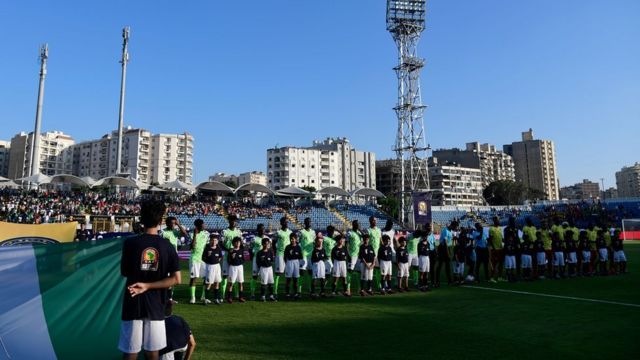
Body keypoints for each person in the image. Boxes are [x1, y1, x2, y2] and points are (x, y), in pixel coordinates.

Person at [119, 199, 181, 360]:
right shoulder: (167, 246)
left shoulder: (130, 243)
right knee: (152, 353)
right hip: (156, 305)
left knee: (130, 352)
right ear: (161, 221)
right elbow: (176, 279)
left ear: (141, 218)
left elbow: (124, 272)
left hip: (133, 302)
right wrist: (149, 285)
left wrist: (144, 283)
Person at [162, 216, 188, 303]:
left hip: (174, 257)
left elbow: (184, 234)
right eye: (172, 223)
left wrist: (178, 224)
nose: (174, 225)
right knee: (165, 277)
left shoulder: (175, 231)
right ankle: (164, 297)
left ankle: (169, 298)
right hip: (165, 258)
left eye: (174, 223)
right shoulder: (163, 232)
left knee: (173, 278)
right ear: (167, 223)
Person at [221, 215, 243, 299]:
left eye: (235, 221)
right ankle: (223, 295)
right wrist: (227, 250)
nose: (234, 222)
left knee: (237, 277)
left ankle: (237, 294)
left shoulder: (239, 232)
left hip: (236, 258)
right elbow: (220, 243)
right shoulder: (224, 231)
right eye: (232, 220)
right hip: (227, 256)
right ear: (229, 221)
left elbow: (242, 244)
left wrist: (239, 252)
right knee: (225, 276)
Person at [189, 219, 208, 304]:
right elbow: (192, 247)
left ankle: (203, 296)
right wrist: (195, 235)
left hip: (203, 259)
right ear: (199, 226)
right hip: (194, 259)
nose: (205, 225)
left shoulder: (206, 234)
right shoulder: (191, 234)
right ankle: (193, 297)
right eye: (203, 224)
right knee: (194, 278)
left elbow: (206, 246)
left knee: (206, 278)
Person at [202, 234, 223, 305]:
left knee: (217, 282)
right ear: (210, 241)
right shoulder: (207, 248)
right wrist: (209, 262)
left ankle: (216, 299)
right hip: (210, 267)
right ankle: (206, 299)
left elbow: (220, 257)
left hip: (217, 266)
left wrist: (216, 261)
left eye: (215, 240)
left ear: (217, 241)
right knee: (209, 283)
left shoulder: (218, 248)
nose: (214, 242)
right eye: (212, 240)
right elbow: (203, 258)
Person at [274, 217, 292, 298]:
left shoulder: (290, 232)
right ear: (281, 223)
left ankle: (287, 292)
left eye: (287, 222)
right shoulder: (278, 232)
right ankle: (275, 292)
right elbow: (274, 243)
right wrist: (276, 251)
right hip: (280, 254)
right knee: (278, 273)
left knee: (288, 274)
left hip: (288, 255)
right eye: (284, 222)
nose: (286, 223)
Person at [226, 237, 246, 304]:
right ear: (233, 243)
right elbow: (228, 260)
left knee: (240, 283)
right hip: (233, 268)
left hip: (240, 267)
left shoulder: (241, 250)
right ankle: (229, 298)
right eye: (236, 242)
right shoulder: (231, 251)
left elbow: (243, 259)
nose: (238, 243)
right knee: (231, 283)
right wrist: (232, 261)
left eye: (239, 242)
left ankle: (241, 297)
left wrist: (240, 262)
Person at [256, 237, 277, 302]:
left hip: (270, 268)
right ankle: (263, 296)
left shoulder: (270, 252)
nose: (266, 245)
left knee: (271, 283)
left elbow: (272, 260)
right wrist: (260, 269)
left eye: (267, 244)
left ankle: (271, 296)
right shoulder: (259, 253)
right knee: (264, 283)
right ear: (262, 244)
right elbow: (258, 262)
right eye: (265, 244)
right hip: (263, 269)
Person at [436, 221, 456, 287]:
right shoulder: (445, 230)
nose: (455, 228)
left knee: (447, 266)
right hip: (442, 249)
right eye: (455, 227)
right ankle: (437, 281)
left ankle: (449, 281)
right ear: (452, 225)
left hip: (447, 249)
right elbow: (445, 243)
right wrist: (448, 253)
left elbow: (449, 243)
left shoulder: (450, 231)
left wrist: (450, 252)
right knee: (440, 266)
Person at [298, 217, 315, 294]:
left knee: (310, 272)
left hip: (310, 255)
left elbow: (314, 242)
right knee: (301, 272)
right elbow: (298, 243)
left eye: (310, 222)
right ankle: (299, 290)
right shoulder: (301, 232)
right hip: (303, 254)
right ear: (304, 223)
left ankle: (310, 289)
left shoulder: (313, 232)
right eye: (307, 222)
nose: (309, 223)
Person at [250, 224, 267, 300]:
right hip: (256, 259)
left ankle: (262, 295)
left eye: (263, 228)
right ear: (258, 230)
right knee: (254, 276)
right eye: (260, 229)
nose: (262, 230)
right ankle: (252, 294)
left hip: (264, 261)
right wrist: (252, 256)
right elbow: (250, 249)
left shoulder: (267, 239)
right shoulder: (254, 239)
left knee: (263, 277)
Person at [284, 232, 303, 300]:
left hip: (296, 263)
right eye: (291, 239)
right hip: (289, 262)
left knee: (295, 280)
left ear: (296, 239)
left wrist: (300, 264)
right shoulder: (287, 247)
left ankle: (295, 293)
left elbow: (301, 257)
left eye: (293, 239)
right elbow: (285, 257)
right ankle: (287, 293)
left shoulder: (298, 247)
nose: (292, 240)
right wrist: (286, 264)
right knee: (288, 279)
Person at [347, 220, 363, 293]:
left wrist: (361, 231)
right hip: (352, 255)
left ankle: (359, 288)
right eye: (357, 224)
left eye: (359, 224)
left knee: (359, 272)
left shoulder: (359, 233)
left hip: (358, 255)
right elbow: (347, 245)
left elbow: (363, 241)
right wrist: (348, 255)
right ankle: (348, 289)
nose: (358, 225)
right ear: (353, 225)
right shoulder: (349, 233)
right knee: (350, 271)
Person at [310, 233, 328, 298]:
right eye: (319, 241)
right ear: (317, 242)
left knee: (322, 278)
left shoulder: (323, 249)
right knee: (314, 279)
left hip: (322, 264)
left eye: (321, 241)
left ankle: (322, 292)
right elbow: (312, 259)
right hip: (316, 264)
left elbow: (325, 257)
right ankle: (312, 293)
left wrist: (324, 258)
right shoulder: (314, 250)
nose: (320, 243)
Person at [367, 216, 382, 290]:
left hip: (378, 253)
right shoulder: (368, 230)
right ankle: (369, 287)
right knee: (370, 270)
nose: (375, 222)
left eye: (375, 220)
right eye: (373, 220)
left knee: (378, 270)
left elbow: (381, 241)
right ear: (370, 221)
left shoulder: (379, 230)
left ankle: (379, 286)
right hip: (370, 254)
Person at [488, 217, 504, 282]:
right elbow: (490, 240)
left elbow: (501, 238)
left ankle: (500, 277)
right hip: (494, 249)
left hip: (500, 248)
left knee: (501, 263)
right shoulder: (491, 229)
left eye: (499, 220)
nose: (499, 221)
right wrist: (494, 248)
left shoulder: (500, 228)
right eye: (497, 220)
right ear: (494, 221)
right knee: (494, 263)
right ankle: (491, 277)